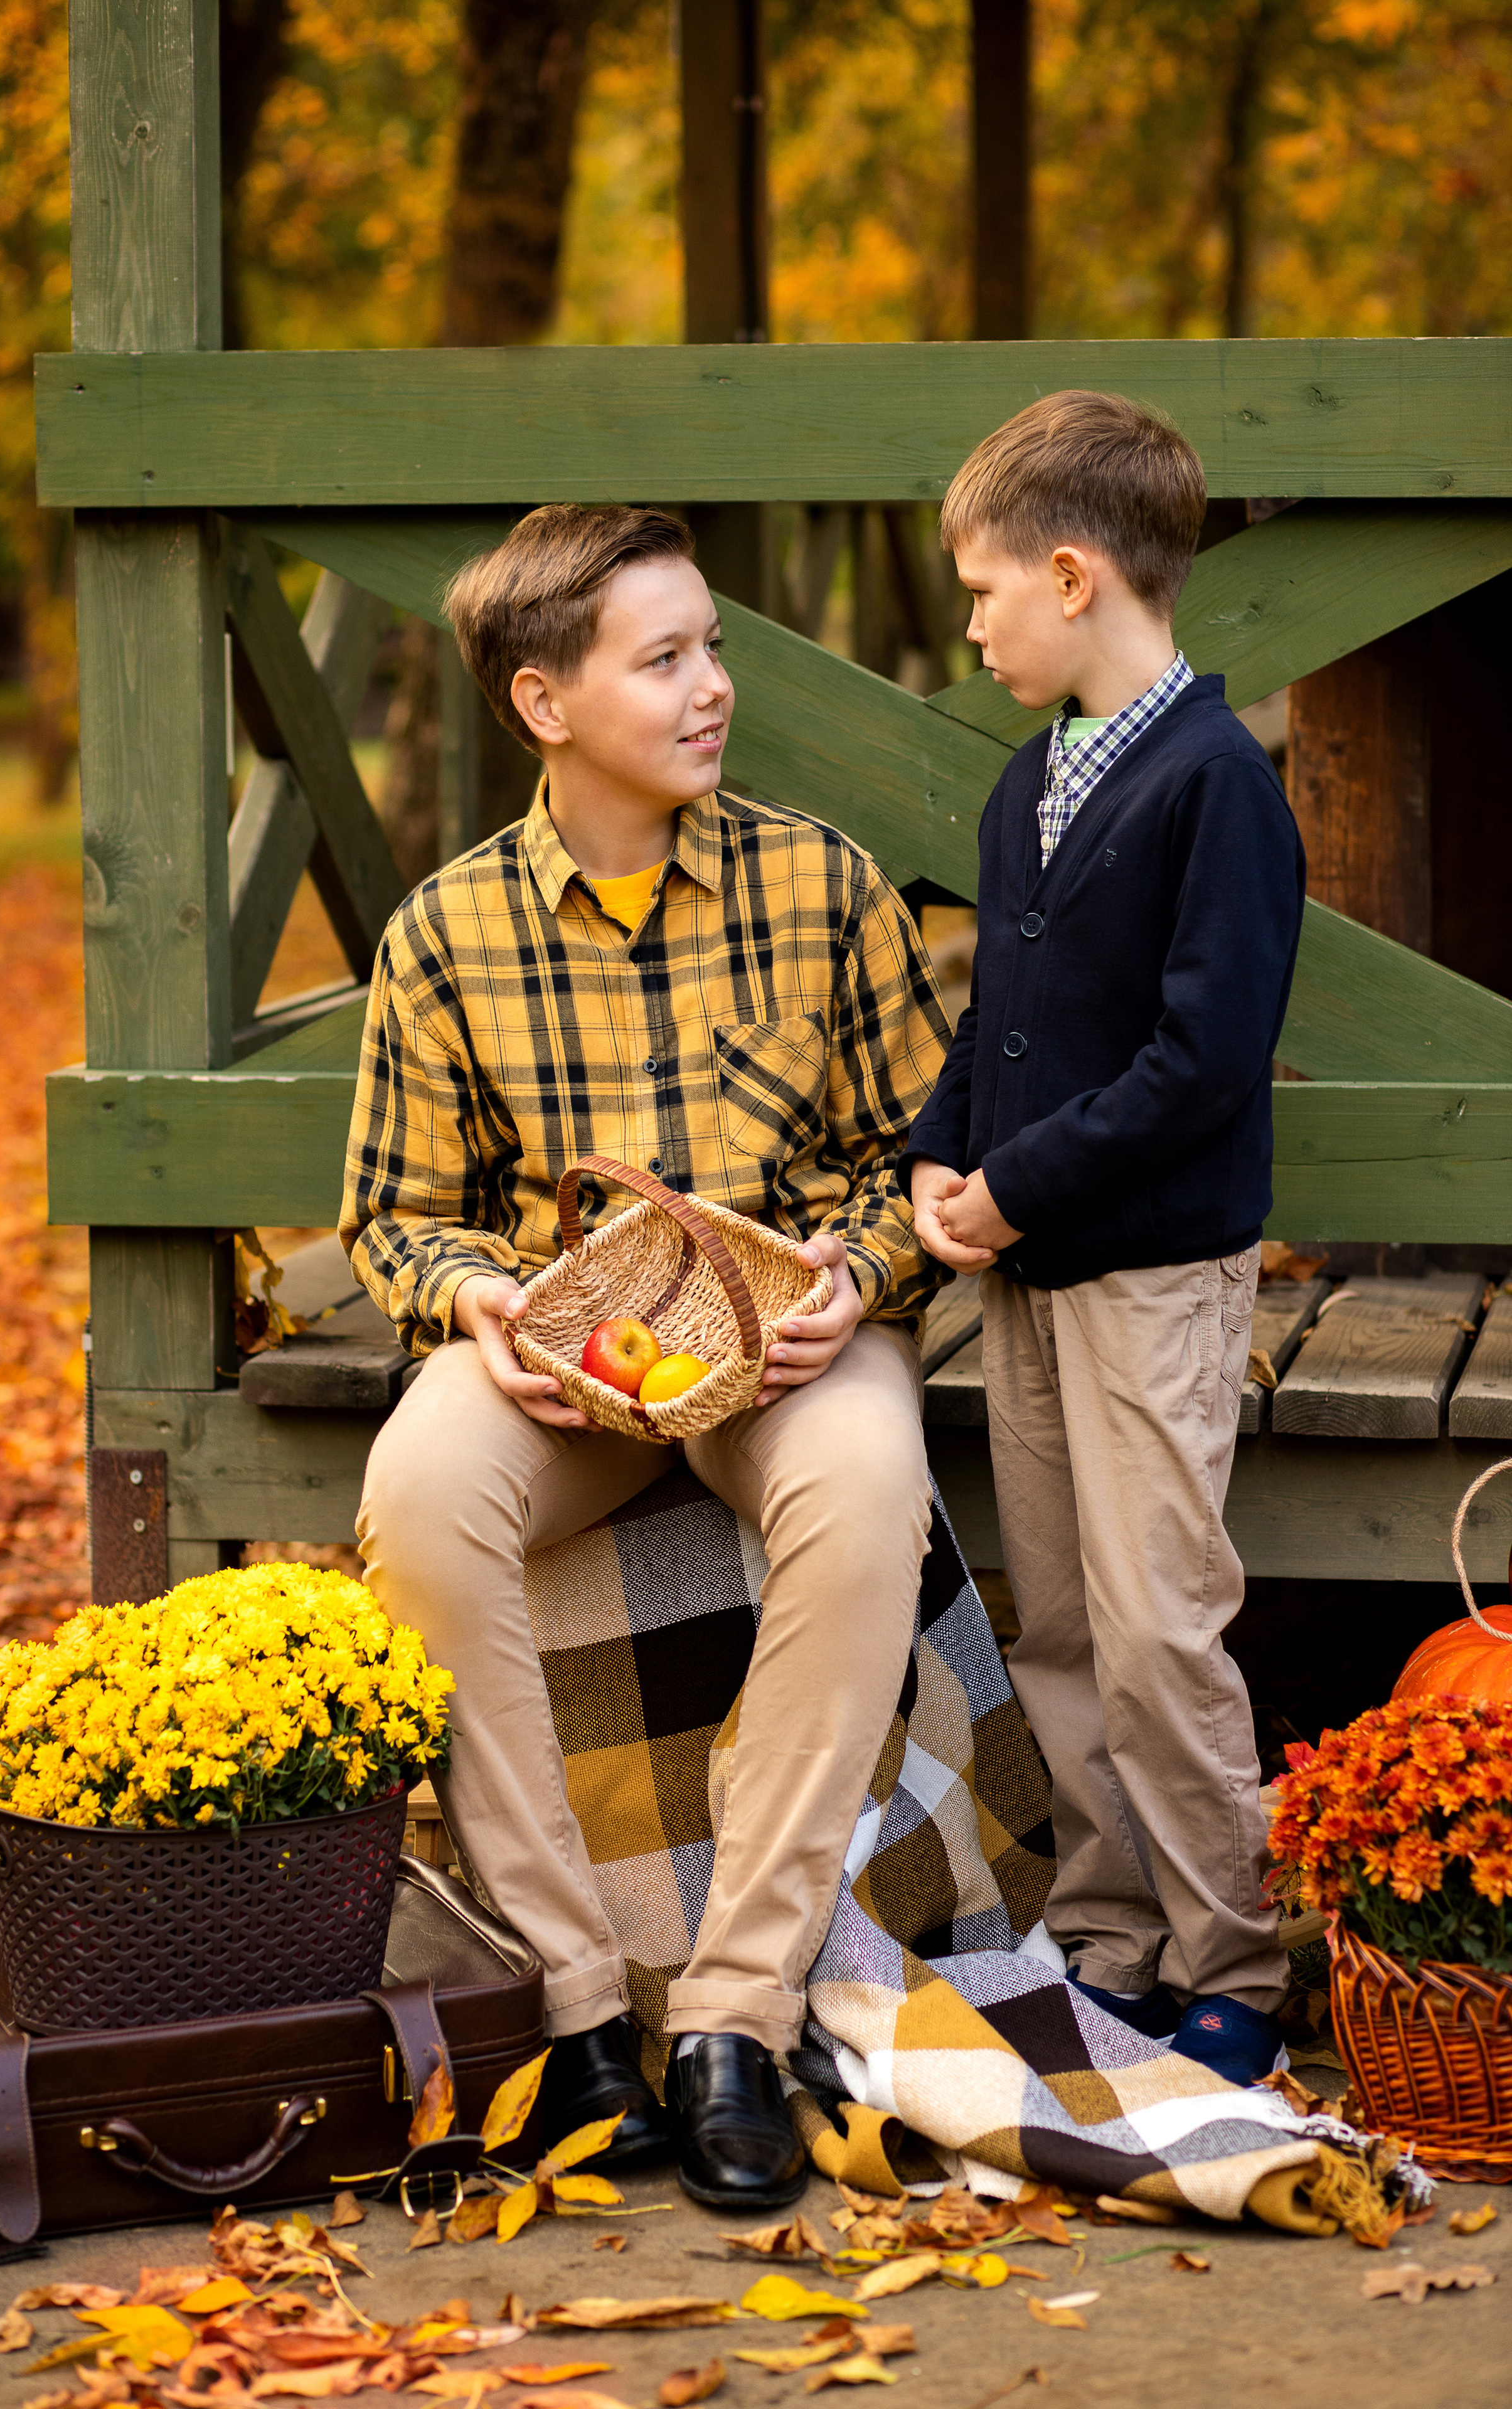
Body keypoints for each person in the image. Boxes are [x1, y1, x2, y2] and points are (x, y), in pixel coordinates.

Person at [345, 504, 950, 2208]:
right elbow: (399, 1217)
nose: (713, 688)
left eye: (716, 647)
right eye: (665, 657)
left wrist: (870, 1269)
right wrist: (480, 1307)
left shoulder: (819, 884)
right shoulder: (445, 938)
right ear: (546, 703)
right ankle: (581, 2010)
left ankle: (736, 2022)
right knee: (419, 1487)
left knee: (866, 1490)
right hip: (573, 1370)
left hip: (790, 1349)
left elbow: (922, 1161)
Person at [903, 391, 1306, 2087]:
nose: (973, 621)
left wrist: (1021, 1183)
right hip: (1032, 1265)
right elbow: (1004, 1019)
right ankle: (1111, 1939)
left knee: (1156, 1626)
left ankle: (1237, 1961)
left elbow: (1200, 1062)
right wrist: (942, 1156)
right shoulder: (1028, 785)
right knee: (1060, 1618)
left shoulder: (1218, 787)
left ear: (1073, 576)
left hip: (1149, 1270)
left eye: (986, 589)